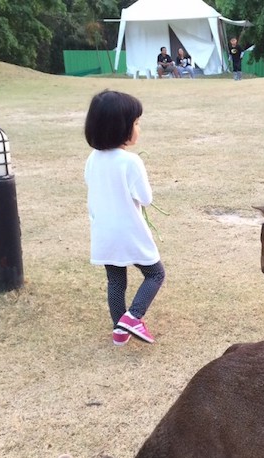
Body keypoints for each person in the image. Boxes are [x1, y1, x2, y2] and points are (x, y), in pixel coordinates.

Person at [84, 90, 165, 345]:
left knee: (116, 280)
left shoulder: (92, 159)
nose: (139, 129)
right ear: (121, 128)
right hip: (129, 231)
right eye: (137, 123)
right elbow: (146, 197)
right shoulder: (130, 162)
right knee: (155, 274)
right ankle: (133, 317)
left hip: (103, 231)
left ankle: (119, 330)